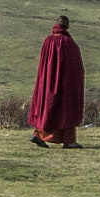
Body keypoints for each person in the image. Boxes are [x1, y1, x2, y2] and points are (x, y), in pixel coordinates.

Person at [27, 16, 84, 149]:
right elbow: (75, 67)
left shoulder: (48, 41)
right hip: (65, 83)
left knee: (47, 106)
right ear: (67, 26)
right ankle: (69, 141)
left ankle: (39, 134)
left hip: (47, 81)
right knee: (66, 109)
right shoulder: (69, 43)